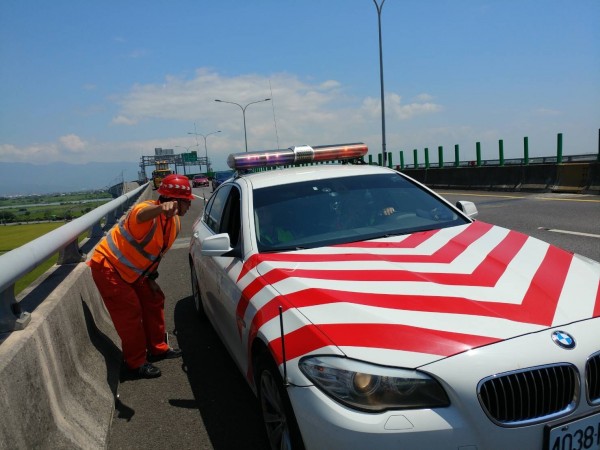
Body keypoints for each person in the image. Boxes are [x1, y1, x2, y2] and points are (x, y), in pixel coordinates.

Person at [87, 174, 193, 379]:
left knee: (154, 299)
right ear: (174, 201)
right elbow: (141, 215)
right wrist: (161, 208)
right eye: (186, 202)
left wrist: (151, 278)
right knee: (130, 311)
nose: (188, 206)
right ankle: (135, 363)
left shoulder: (174, 224)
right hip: (108, 267)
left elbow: (153, 254)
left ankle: (158, 348)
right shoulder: (146, 211)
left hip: (135, 272)